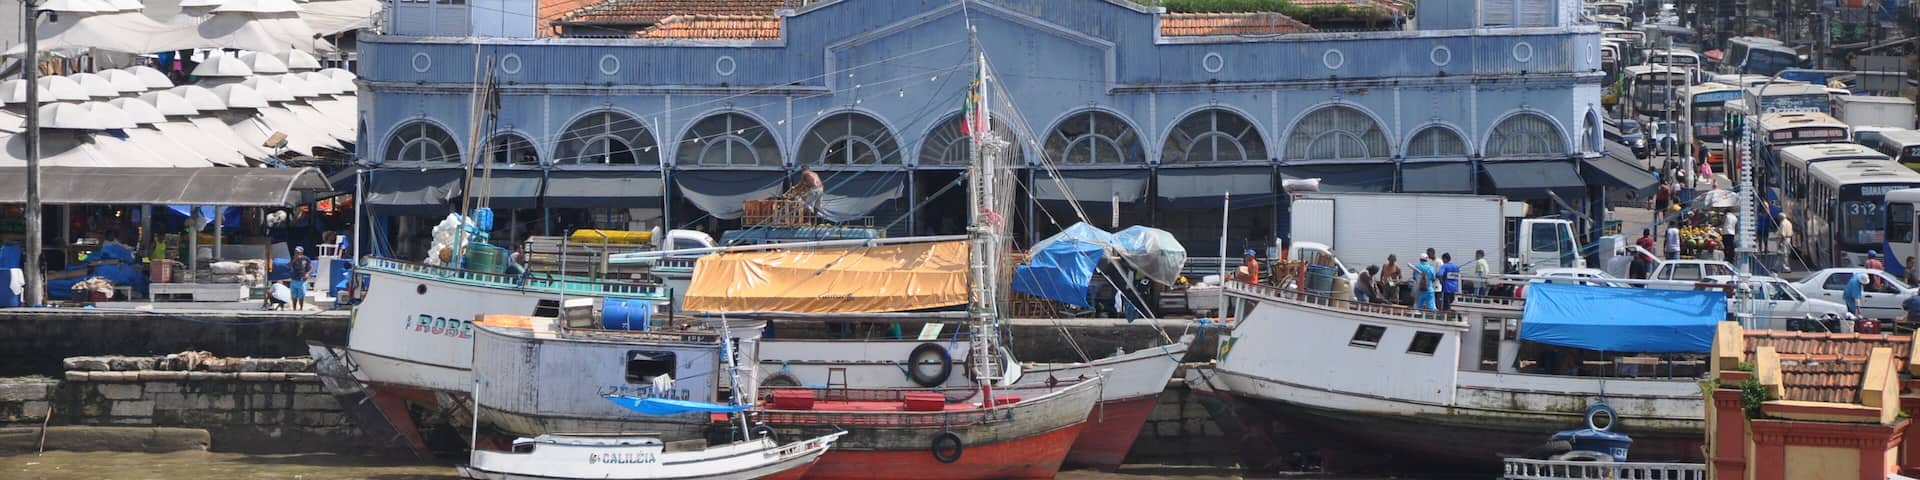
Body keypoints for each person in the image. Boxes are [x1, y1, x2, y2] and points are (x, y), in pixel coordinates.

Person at [288, 246, 312, 311]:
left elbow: (310, 267)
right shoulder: (293, 258)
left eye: (298, 252)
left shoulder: (306, 259)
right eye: (295, 252)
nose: (296, 253)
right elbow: (289, 266)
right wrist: (294, 260)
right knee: (294, 295)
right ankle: (294, 308)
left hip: (302, 279)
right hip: (294, 279)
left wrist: (307, 274)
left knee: (301, 295)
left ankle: (301, 308)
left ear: (301, 252)